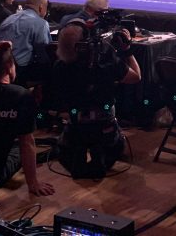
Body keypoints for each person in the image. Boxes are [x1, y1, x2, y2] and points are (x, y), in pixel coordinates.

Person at [53, 21, 141, 179]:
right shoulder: (106, 62)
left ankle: (79, 153)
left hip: (75, 122)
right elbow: (136, 77)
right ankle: (99, 153)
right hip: (104, 121)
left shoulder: (59, 66)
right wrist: (127, 50)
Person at [0, 41, 55, 195]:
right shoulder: (20, 96)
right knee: (17, 149)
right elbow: (27, 143)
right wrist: (33, 183)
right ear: (8, 67)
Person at [0, 0, 51, 85]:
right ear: (41, 7)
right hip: (19, 72)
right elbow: (43, 54)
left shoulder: (8, 19)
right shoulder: (41, 23)